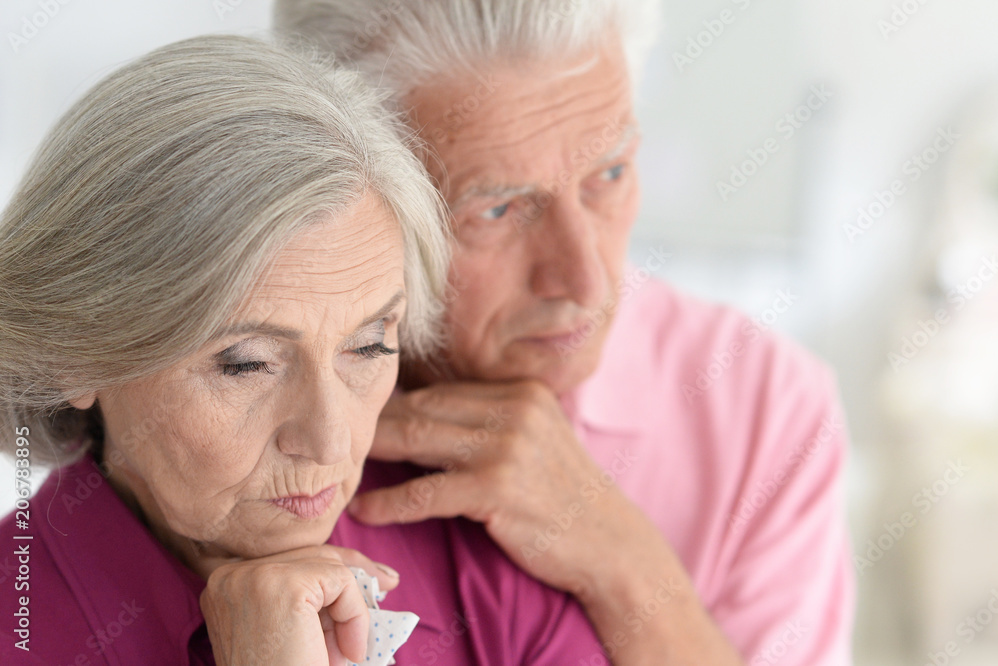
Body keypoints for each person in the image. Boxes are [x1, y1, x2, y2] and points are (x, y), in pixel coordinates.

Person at [0, 34, 612, 665]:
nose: (330, 441)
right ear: (76, 354)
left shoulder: (481, 541)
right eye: (247, 365)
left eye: (368, 346)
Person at [274, 1, 856, 664]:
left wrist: (625, 567)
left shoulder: (767, 408)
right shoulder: (244, 406)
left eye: (608, 175)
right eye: (497, 209)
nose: (585, 281)